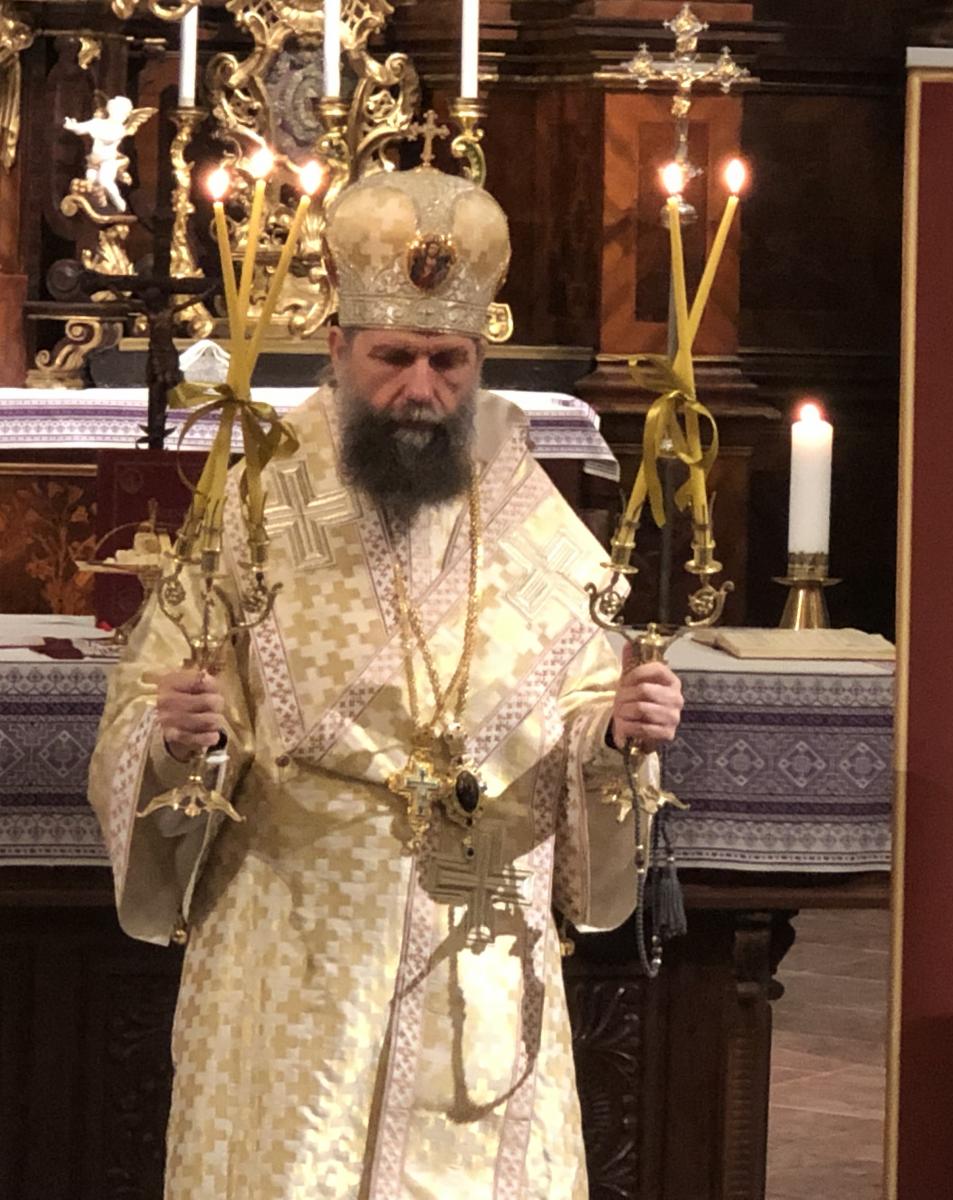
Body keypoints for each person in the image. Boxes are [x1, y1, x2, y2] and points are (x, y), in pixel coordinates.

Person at [87, 165, 684, 1197]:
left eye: (449, 362)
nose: (421, 390)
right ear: (337, 350)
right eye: (394, 358)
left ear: (479, 358)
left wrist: (618, 735)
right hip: (292, 945)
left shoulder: (535, 520)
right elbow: (155, 701)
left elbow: (585, 707)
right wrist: (181, 740)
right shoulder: (260, 508)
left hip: (478, 952)